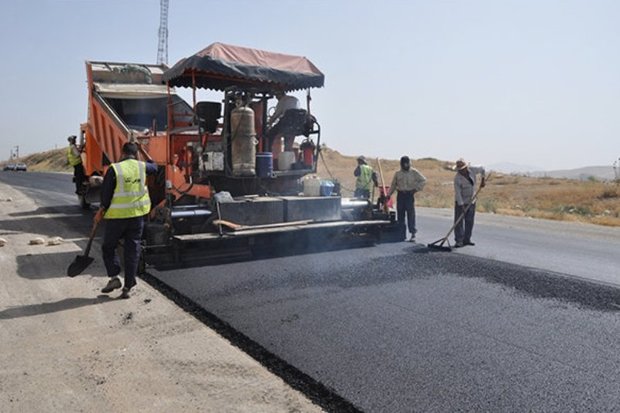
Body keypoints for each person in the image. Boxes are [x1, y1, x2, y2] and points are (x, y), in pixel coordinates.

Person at [95, 142, 157, 299]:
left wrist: (101, 210)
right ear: (136, 154)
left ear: (122, 153)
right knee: (132, 250)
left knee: (108, 247)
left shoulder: (114, 169)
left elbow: (106, 195)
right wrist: (143, 151)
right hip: (137, 217)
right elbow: (155, 166)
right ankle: (128, 286)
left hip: (117, 218)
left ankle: (114, 278)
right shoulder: (142, 167)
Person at [387, 156, 427, 242]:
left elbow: (423, 180)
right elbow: (393, 185)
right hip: (401, 195)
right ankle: (401, 235)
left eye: (407, 163)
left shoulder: (414, 172)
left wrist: (416, 189)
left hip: (409, 195)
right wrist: (389, 194)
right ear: (401, 164)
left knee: (411, 215)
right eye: (404, 164)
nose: (406, 165)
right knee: (400, 215)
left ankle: (413, 234)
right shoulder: (398, 174)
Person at [453, 158, 486, 248]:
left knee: (469, 221)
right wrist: (462, 205)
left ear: (466, 167)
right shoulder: (457, 179)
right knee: (459, 221)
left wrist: (483, 180)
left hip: (472, 200)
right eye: (459, 170)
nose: (461, 171)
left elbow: (483, 168)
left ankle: (467, 240)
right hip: (461, 201)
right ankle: (459, 240)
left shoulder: (473, 170)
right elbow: (458, 193)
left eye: (462, 169)